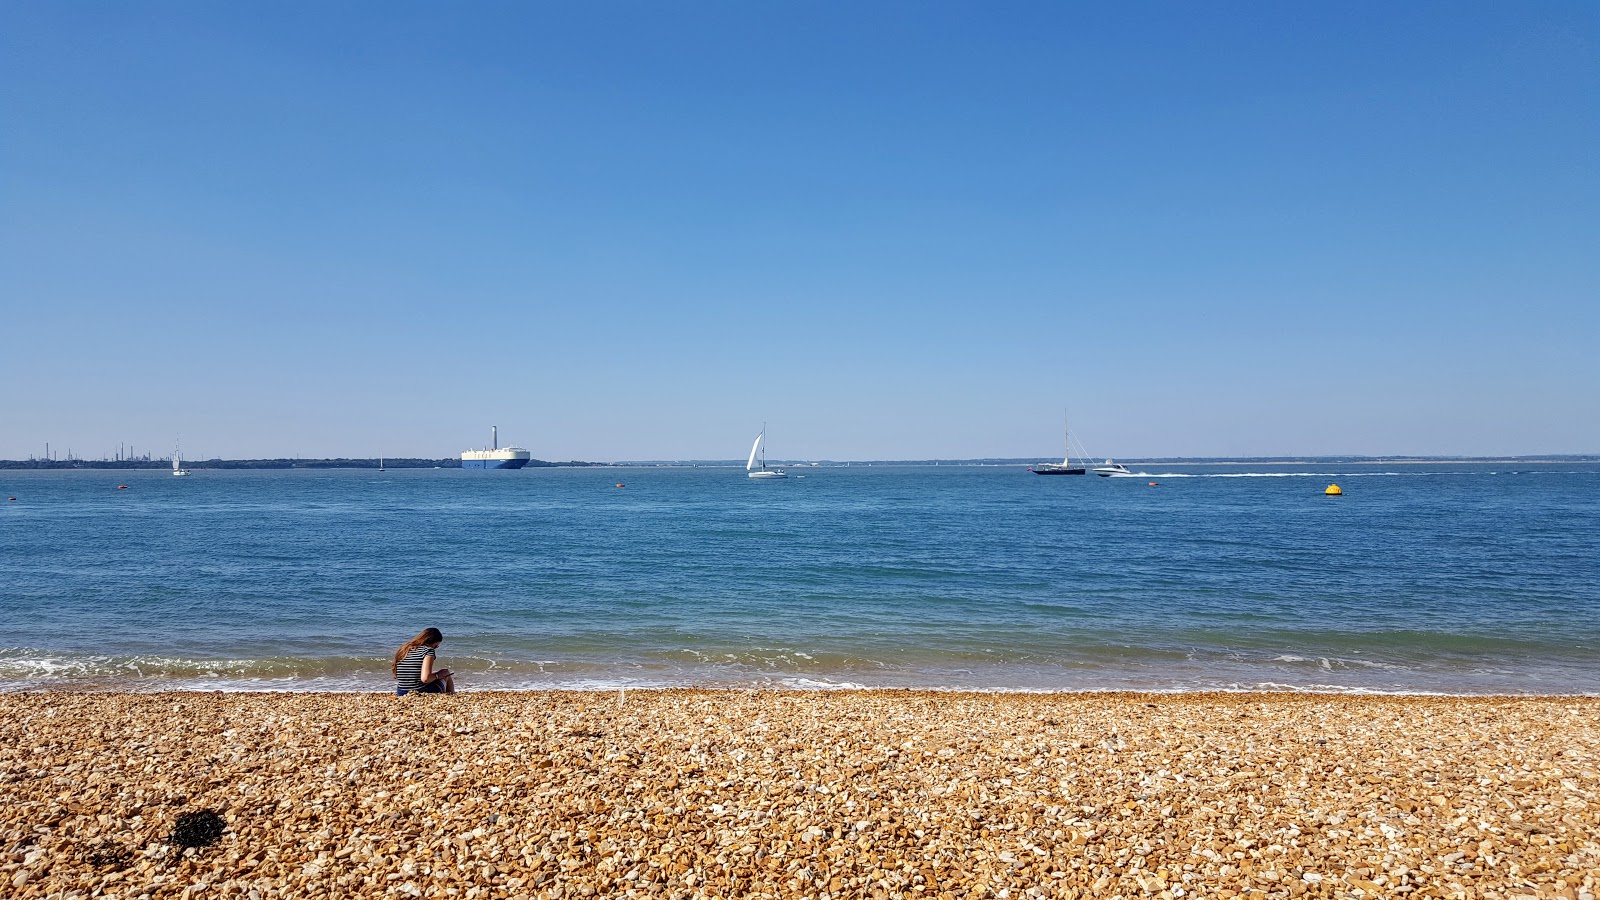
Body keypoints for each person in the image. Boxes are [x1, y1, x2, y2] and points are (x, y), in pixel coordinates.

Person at [393, 627, 455, 696]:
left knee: (434, 673)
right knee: (445, 673)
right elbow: (425, 678)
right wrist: (438, 675)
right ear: (432, 642)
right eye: (436, 646)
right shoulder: (428, 651)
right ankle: (452, 696)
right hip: (420, 692)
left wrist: (435, 675)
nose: (435, 648)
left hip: (401, 692)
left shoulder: (405, 649)